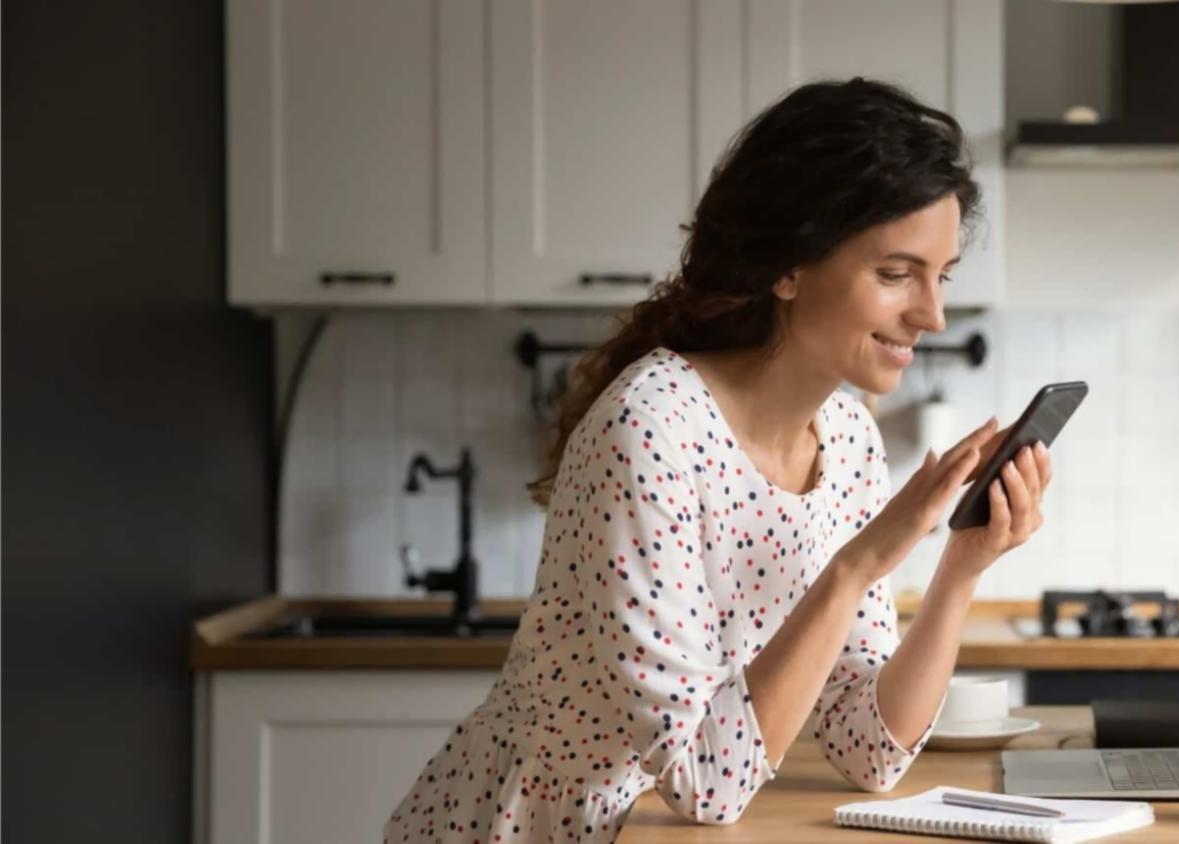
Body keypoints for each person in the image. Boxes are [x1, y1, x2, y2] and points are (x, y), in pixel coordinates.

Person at [384, 77, 1051, 843]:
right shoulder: (652, 427)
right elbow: (705, 783)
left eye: (941, 277)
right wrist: (859, 562)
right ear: (789, 267)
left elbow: (869, 750)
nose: (931, 314)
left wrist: (960, 566)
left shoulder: (847, 434)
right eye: (895, 274)